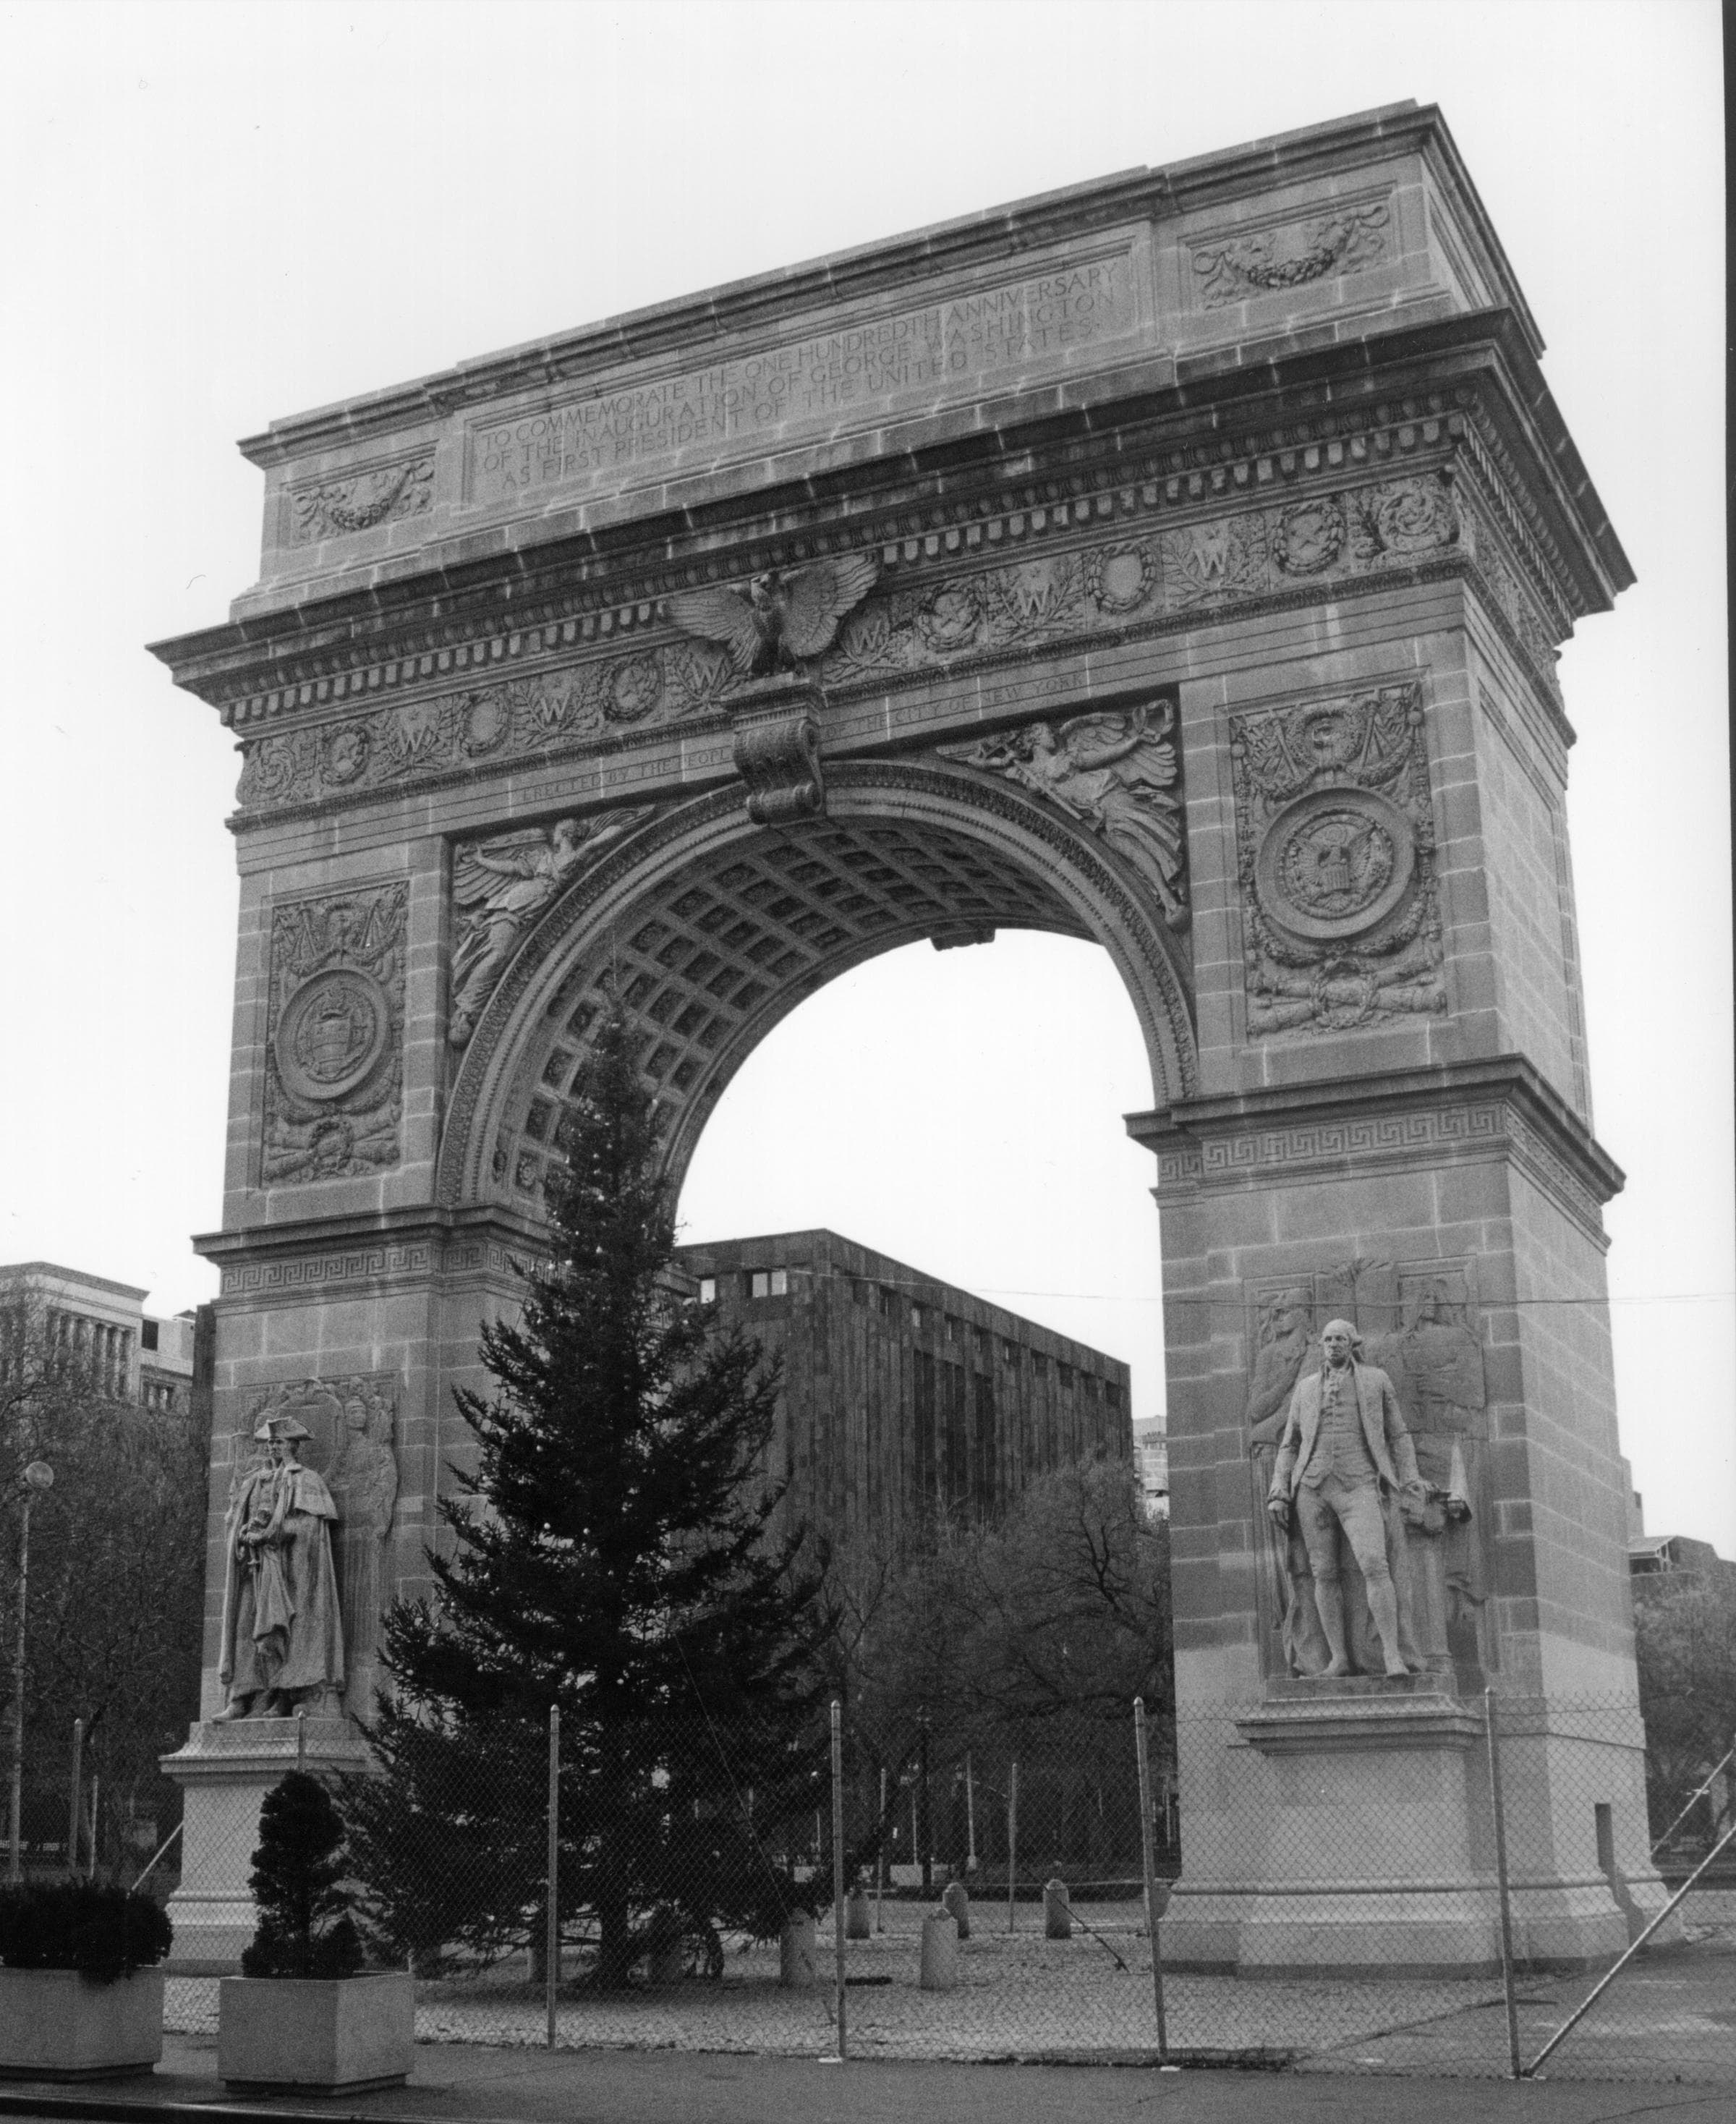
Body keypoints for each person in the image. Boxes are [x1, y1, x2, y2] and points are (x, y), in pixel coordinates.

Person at [1267, 1320, 1424, 1679]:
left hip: (1360, 1484)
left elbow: (1398, 1434)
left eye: (1340, 1339)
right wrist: (1279, 1491)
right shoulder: (1305, 1389)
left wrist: (1409, 1476)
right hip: (1312, 1487)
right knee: (1324, 1573)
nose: (1333, 1345)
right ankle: (1338, 1658)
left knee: (1374, 1563)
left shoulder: (1375, 1380)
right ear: (1321, 1345)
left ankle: (1391, 1655)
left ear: (1353, 1343)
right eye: (1327, 1340)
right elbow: (1289, 1444)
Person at [214, 1416, 345, 1720]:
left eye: (280, 1441)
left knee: (292, 1630)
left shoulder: (305, 1478)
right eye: (270, 1441)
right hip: (254, 1568)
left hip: (290, 1570)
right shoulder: (252, 1481)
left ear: (293, 1446)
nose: (273, 1446)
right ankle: (245, 1696)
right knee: (246, 1625)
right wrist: (245, 1534)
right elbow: (232, 1523)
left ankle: (287, 1695)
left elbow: (311, 1528)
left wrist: (272, 1533)